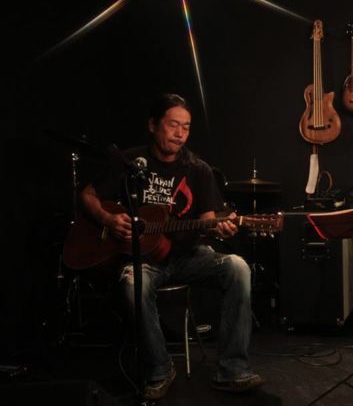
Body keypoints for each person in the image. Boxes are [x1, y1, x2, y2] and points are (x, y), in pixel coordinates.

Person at [79, 93, 264, 399]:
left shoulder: (198, 169)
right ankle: (160, 368)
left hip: (187, 256)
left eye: (186, 127)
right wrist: (108, 219)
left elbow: (207, 220)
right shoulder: (130, 162)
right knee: (133, 285)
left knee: (239, 268)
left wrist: (221, 226)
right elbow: (87, 195)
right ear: (153, 125)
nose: (180, 134)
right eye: (173, 125)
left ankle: (233, 369)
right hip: (142, 260)